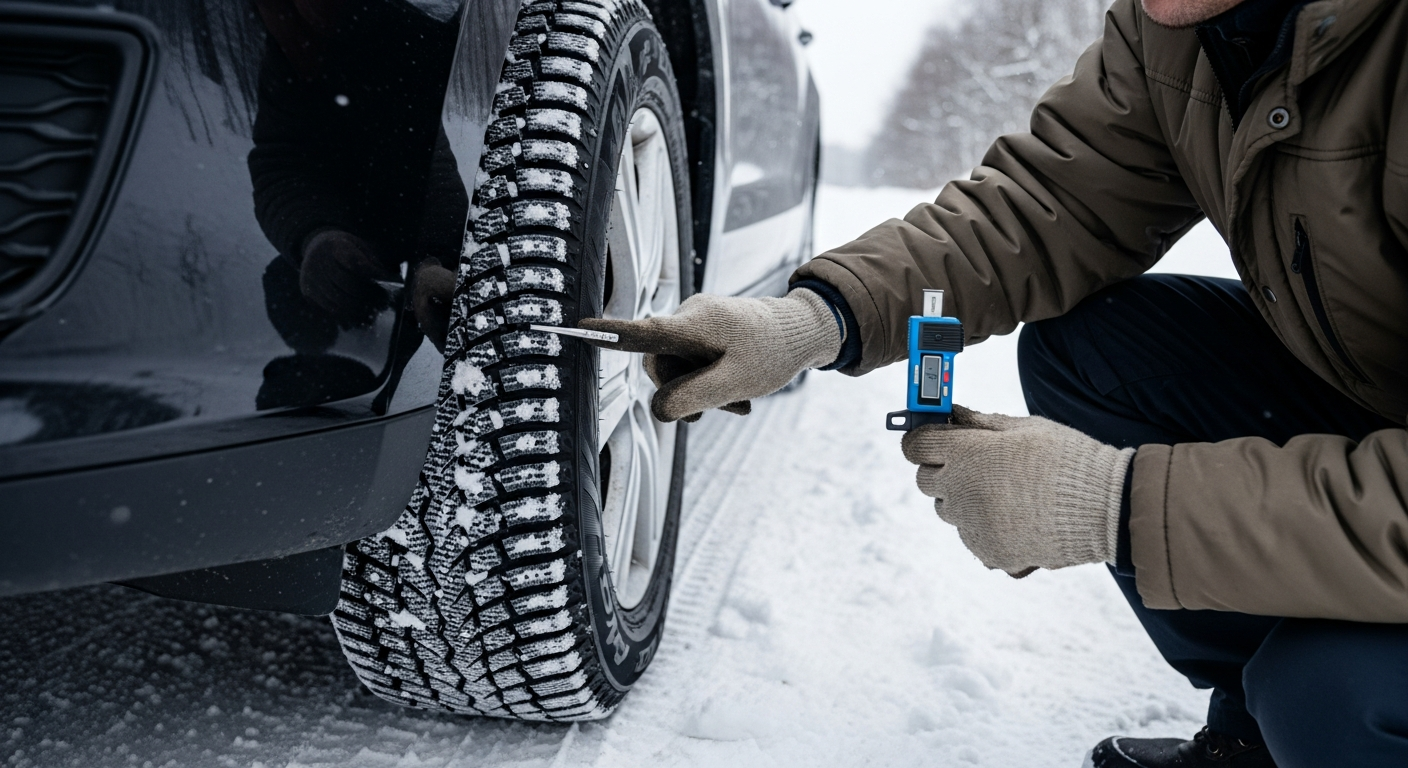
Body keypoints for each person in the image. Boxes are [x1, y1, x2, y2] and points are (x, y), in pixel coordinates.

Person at [579, 0, 1408, 765]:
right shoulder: (1178, 30)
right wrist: (815, 318)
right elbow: (1041, 208)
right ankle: (1255, 735)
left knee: (1335, 695)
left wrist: (1116, 503)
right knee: (1098, 351)